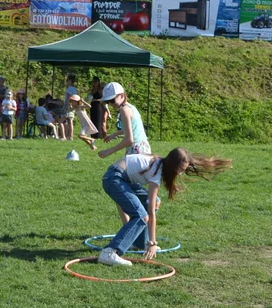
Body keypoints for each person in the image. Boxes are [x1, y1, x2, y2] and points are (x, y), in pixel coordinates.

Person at [98, 148, 231, 267]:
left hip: (122, 179)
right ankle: (110, 252)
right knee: (141, 216)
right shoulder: (156, 170)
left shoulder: (160, 164)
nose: (180, 174)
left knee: (156, 201)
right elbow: (150, 212)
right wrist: (152, 243)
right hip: (114, 179)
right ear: (172, 166)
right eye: (179, 170)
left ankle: (139, 242)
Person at [98, 82, 151, 158]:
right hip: (142, 147)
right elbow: (130, 129)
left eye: (112, 100)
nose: (110, 104)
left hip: (136, 149)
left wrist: (109, 151)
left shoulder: (124, 110)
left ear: (122, 95)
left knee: (114, 169)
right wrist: (114, 135)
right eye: (107, 101)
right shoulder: (130, 107)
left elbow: (129, 140)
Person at [61, 73, 78, 142]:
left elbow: (68, 99)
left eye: (67, 80)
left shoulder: (70, 89)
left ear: (70, 81)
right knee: (70, 121)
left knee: (61, 121)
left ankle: (64, 136)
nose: (67, 82)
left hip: (68, 106)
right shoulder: (75, 89)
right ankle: (70, 136)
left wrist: (65, 107)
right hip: (73, 106)